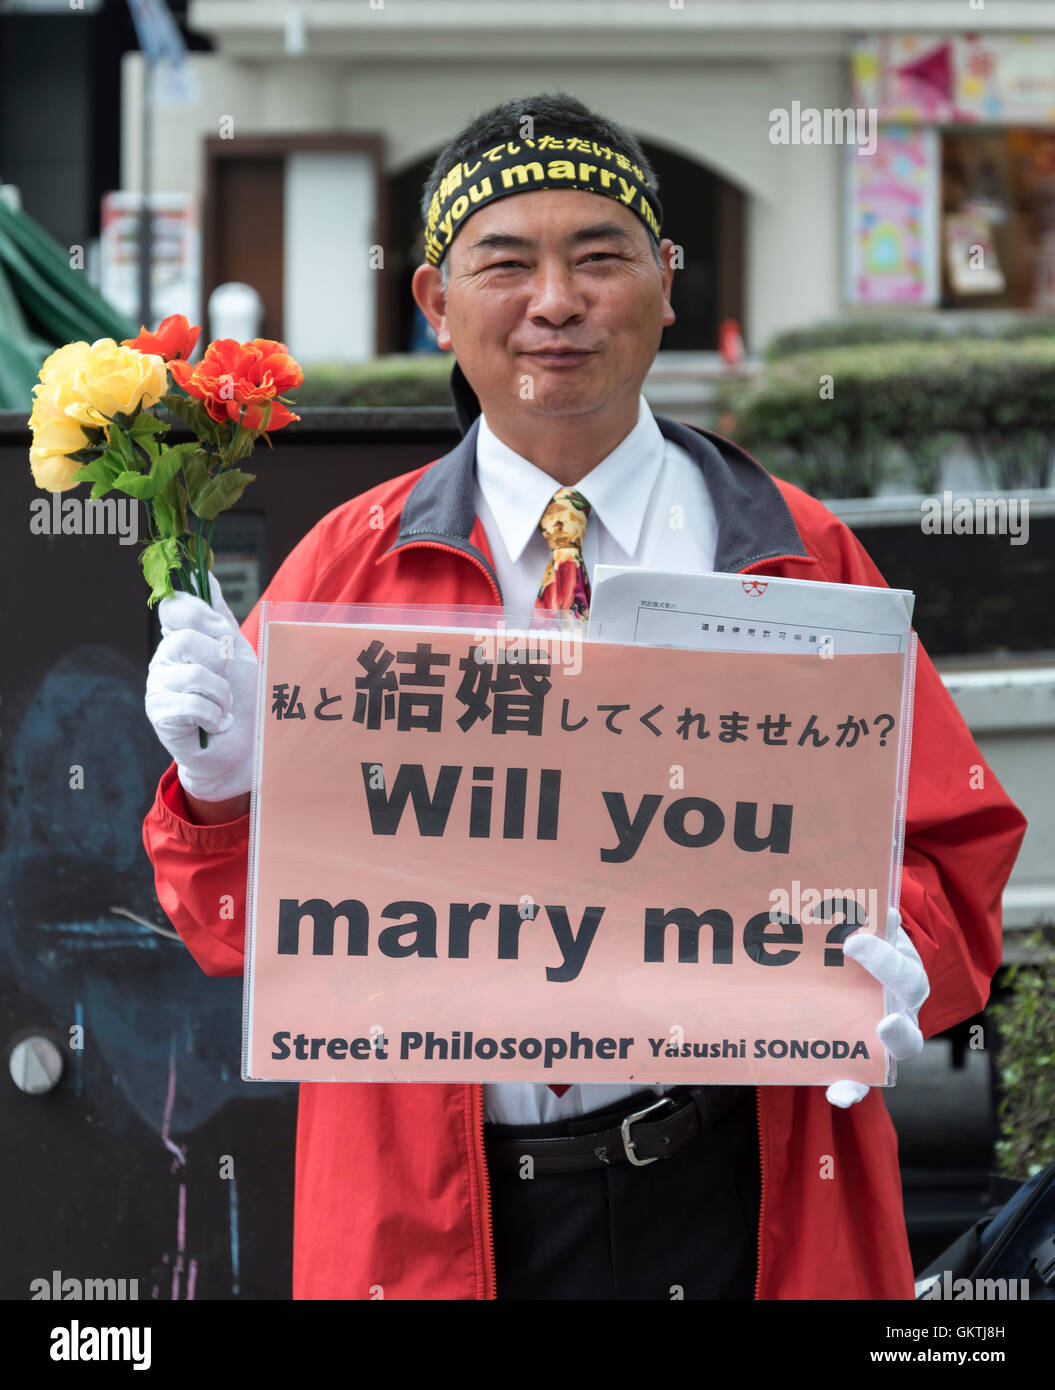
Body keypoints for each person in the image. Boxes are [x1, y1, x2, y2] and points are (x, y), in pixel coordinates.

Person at [142, 92, 1027, 1300]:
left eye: (598, 257)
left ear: (666, 283)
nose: (554, 301)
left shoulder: (797, 556)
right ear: (436, 304)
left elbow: (953, 846)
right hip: (441, 1213)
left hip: (740, 1186)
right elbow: (233, 930)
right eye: (504, 263)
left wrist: (901, 956)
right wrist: (224, 787)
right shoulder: (343, 573)